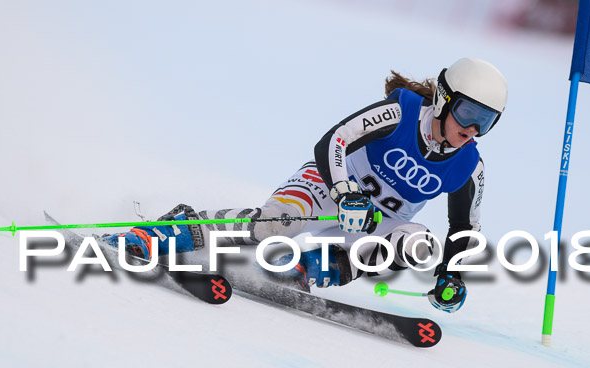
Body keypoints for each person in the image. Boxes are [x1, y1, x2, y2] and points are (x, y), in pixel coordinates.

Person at [103, 57, 508, 313]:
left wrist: (451, 276)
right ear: (443, 98)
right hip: (328, 186)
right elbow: (334, 141)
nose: (472, 129)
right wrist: (344, 191)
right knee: (277, 226)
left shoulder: (469, 166)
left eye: (486, 121)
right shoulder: (401, 114)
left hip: (375, 223)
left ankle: (303, 270)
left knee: (419, 244)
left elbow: (464, 229)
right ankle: (166, 231)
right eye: (468, 112)